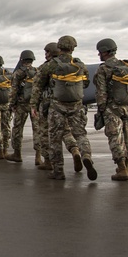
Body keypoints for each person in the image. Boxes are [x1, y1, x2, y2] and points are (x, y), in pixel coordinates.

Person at [34, 36, 97, 181]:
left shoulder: (50, 65)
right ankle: (86, 156)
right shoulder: (80, 65)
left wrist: (34, 104)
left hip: (57, 106)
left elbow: (38, 86)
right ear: (73, 47)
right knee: (80, 134)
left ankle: (58, 171)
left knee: (55, 138)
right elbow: (85, 83)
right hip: (76, 105)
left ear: (59, 47)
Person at [93, 38, 128, 181]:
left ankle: (121, 169)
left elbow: (101, 93)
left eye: (100, 52)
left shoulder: (104, 68)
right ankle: (125, 167)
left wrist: (102, 110)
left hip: (113, 109)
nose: (99, 55)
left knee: (115, 137)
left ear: (105, 52)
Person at [30, 42, 80, 172]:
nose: (45, 55)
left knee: (46, 133)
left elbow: (37, 87)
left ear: (50, 53)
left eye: (46, 52)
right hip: (69, 104)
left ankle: (48, 162)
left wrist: (33, 105)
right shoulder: (74, 65)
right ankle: (74, 150)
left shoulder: (46, 67)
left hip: (49, 105)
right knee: (66, 131)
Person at [9, 50, 38, 163]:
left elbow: (14, 90)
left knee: (17, 129)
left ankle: (17, 154)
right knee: (37, 130)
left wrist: (12, 104)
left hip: (21, 104)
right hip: (34, 106)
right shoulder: (37, 71)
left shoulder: (18, 73)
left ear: (22, 60)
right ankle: (38, 156)